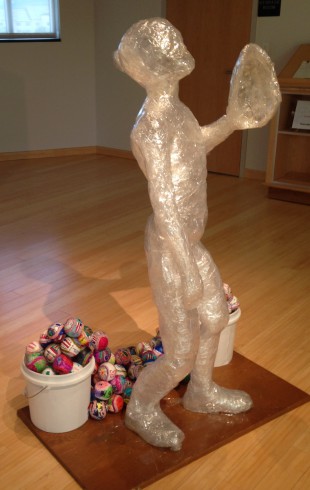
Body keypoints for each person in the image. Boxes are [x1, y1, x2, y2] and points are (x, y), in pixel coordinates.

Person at [114, 17, 281, 451]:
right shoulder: (149, 128)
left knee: (214, 316)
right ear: (150, 68)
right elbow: (164, 204)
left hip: (189, 243)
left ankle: (201, 392)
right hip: (172, 249)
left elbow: (195, 144)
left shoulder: (177, 113)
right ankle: (142, 409)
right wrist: (186, 267)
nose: (179, 51)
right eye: (168, 51)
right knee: (179, 351)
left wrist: (231, 120)